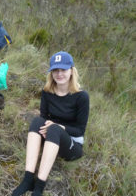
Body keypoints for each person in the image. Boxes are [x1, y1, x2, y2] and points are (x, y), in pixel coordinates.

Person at [12, 51, 90, 196]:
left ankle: (39, 187)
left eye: (63, 70)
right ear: (51, 73)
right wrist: (46, 127)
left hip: (72, 144)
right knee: (36, 121)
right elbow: (43, 117)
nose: (59, 74)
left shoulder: (81, 96)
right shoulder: (47, 92)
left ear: (71, 71)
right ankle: (28, 179)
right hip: (53, 137)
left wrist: (58, 127)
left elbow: (79, 130)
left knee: (54, 128)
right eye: (55, 70)